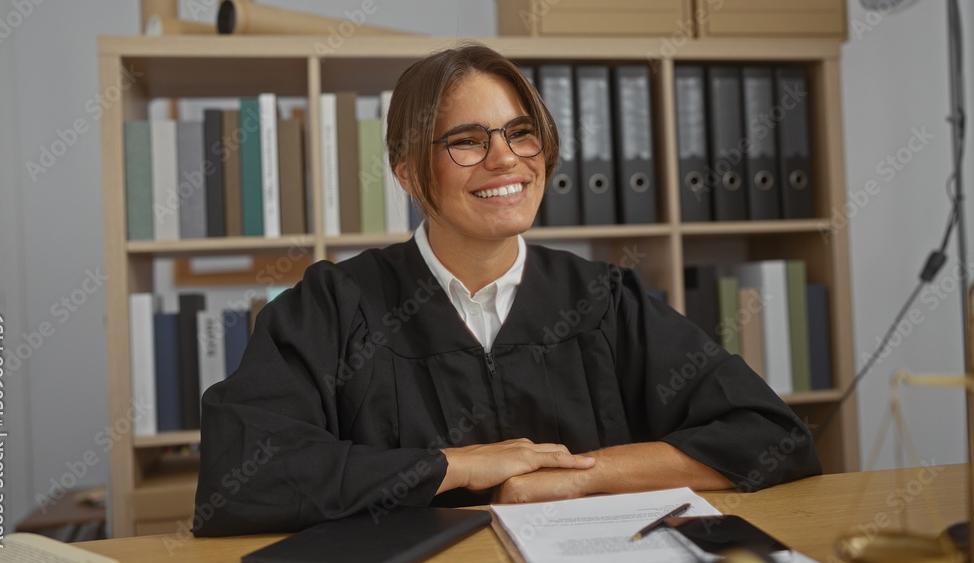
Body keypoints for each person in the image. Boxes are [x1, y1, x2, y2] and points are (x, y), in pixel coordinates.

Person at [193, 42, 821, 537]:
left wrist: (583, 477)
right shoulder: (336, 306)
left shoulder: (601, 300)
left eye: (521, 133)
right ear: (407, 170)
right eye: (467, 141)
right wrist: (454, 465)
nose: (506, 160)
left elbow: (769, 435)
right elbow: (242, 477)